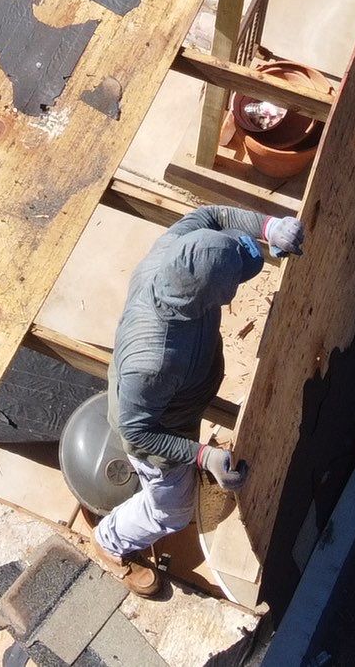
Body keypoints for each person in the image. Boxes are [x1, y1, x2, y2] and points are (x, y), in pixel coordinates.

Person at [89, 207, 306, 593]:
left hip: (170, 401)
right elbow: (137, 433)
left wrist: (269, 227)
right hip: (155, 430)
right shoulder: (153, 360)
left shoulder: (175, 248)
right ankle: (111, 542)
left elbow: (213, 214)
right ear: (208, 296)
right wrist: (203, 455)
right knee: (172, 510)